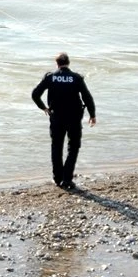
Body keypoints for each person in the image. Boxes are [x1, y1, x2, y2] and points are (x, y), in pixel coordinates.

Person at [31, 52, 96, 191]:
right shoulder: (76, 78)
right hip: (74, 118)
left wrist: (44, 108)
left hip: (56, 118)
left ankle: (57, 178)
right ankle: (67, 178)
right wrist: (92, 115)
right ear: (68, 63)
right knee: (73, 147)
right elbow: (87, 97)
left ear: (57, 63)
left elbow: (35, 94)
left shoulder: (50, 77)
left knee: (56, 147)